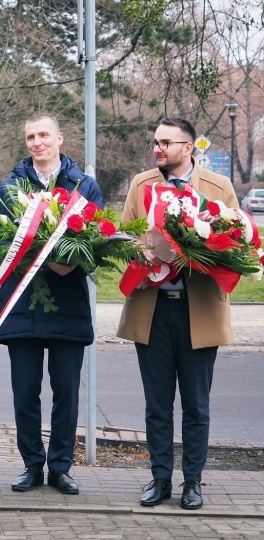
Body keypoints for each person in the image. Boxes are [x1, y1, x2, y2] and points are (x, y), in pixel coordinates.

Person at [117, 117, 237, 510]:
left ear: (189, 147)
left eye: (166, 142)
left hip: (198, 310)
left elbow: (237, 247)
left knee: (196, 406)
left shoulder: (218, 188)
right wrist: (146, 252)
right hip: (152, 310)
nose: (158, 148)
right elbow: (124, 240)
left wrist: (197, 251)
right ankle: (160, 479)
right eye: (155, 141)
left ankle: (193, 483)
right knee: (156, 405)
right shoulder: (141, 184)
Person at [0, 113, 103, 495]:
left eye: (43, 135)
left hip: (67, 303)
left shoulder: (84, 187)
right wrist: (29, 255)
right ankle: (31, 465)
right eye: (30, 137)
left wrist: (68, 261)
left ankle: (60, 468)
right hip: (21, 304)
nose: (37, 142)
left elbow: (97, 242)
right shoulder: (9, 190)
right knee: (25, 393)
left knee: (66, 394)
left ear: (60, 138)